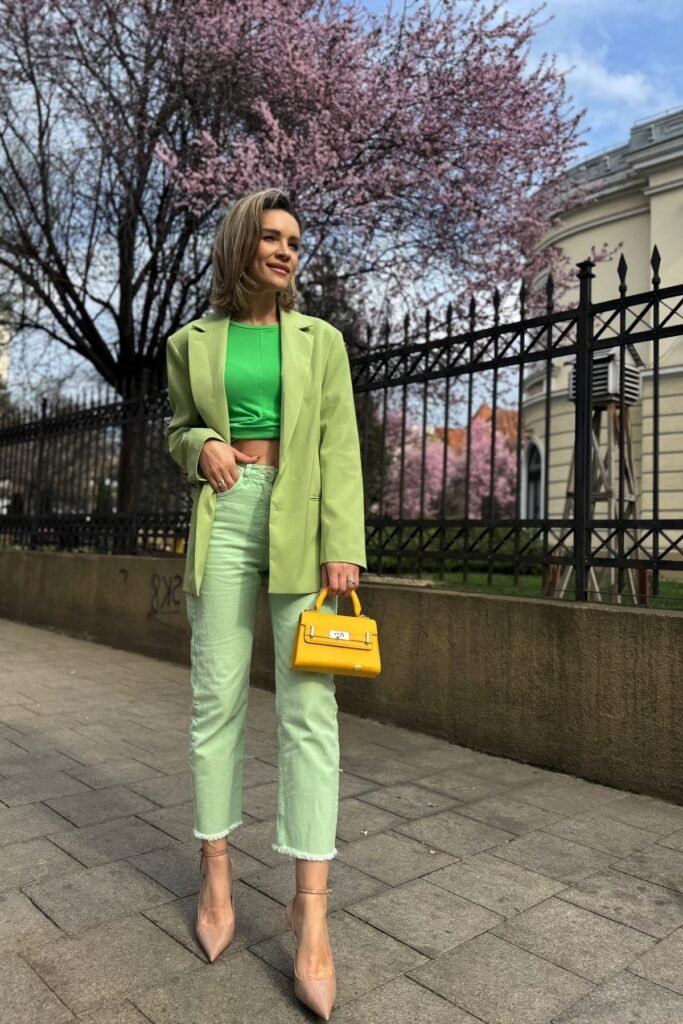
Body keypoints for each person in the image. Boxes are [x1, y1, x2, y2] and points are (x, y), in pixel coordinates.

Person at [165, 187, 366, 1020]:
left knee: (308, 709)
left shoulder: (322, 342)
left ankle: (309, 912)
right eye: (271, 238)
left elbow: (339, 442)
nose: (286, 251)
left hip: (300, 519)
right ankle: (216, 873)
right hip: (225, 517)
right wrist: (202, 444)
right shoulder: (190, 341)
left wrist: (342, 543)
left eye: (294, 241)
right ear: (241, 245)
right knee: (215, 702)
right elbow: (178, 427)